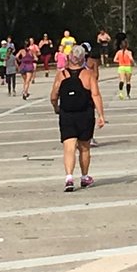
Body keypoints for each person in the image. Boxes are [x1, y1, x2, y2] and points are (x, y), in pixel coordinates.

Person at [50, 44, 105, 191]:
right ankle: (84, 177)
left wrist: (56, 107)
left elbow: (54, 95)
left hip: (67, 114)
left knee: (69, 147)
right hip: (84, 115)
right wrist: (101, 115)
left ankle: (69, 178)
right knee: (84, 148)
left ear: (70, 57)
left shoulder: (61, 75)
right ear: (83, 59)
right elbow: (95, 95)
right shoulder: (88, 75)